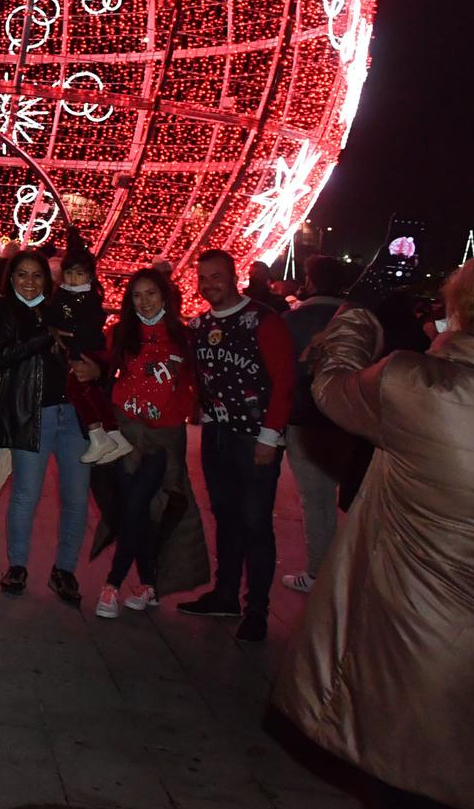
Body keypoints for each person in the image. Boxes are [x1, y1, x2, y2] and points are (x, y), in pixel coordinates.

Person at [273, 254, 474, 809]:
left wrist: (355, 321)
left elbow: (330, 387)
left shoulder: (415, 385)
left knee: (409, 796)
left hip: (419, 650)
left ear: (459, 313)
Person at [177, 248, 297, 643]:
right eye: (203, 278)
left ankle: (257, 610)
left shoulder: (263, 320)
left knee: (256, 522)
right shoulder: (198, 326)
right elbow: (200, 376)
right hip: (219, 436)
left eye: (216, 276)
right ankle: (225, 593)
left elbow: (284, 380)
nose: (209, 284)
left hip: (255, 438)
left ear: (234, 276)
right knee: (226, 518)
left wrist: (270, 435)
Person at [76, 269, 200, 619]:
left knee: (137, 503)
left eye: (151, 294)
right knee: (136, 509)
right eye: (137, 296)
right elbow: (103, 368)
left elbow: (195, 381)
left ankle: (112, 584)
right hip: (126, 433)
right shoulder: (120, 333)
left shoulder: (184, 337)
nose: (144, 302)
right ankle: (148, 583)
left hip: (163, 437)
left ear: (165, 296)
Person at [0, 248, 88, 605]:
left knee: (76, 498)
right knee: (25, 494)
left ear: (48, 279)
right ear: (11, 279)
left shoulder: (60, 306)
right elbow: (2, 355)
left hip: (73, 415)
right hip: (32, 414)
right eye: (21, 275)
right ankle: (17, 565)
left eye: (36, 275)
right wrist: (45, 336)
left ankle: (65, 569)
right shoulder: (4, 309)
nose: (29, 282)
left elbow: (88, 343)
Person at [278, 254, 356, 593]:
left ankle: (318, 571)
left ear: (310, 280)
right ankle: (347, 572)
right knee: (354, 499)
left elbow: (282, 373)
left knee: (317, 499)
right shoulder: (358, 318)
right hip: (351, 419)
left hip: (306, 418)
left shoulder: (294, 320)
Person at [49, 248, 130, 465]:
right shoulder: (64, 295)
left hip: (86, 352)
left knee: (78, 389)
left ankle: (99, 433)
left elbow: (86, 331)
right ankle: (112, 435)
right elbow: (55, 321)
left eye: (79, 273)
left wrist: (75, 354)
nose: (73, 279)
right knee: (87, 391)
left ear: (89, 276)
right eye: (69, 273)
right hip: (78, 352)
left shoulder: (87, 299)